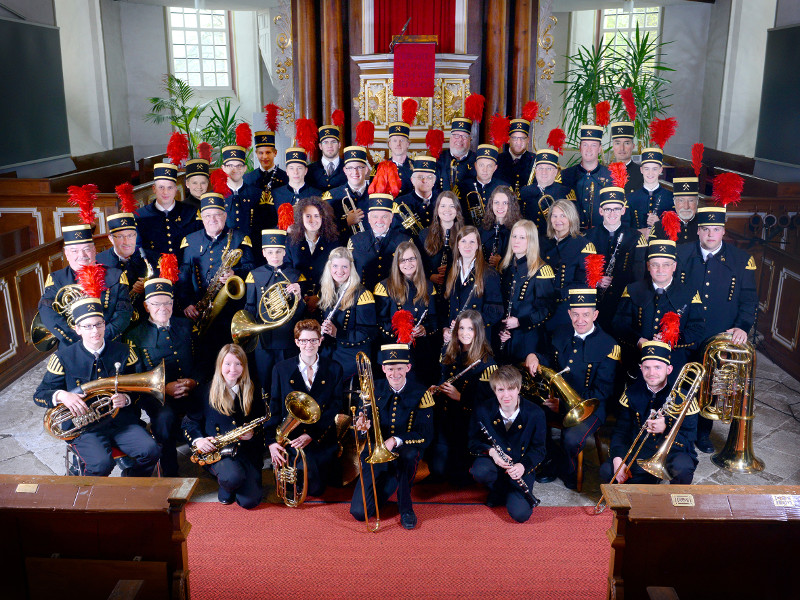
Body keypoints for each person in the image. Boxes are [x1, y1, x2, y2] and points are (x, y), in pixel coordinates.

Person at [34, 297, 160, 477]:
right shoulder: (63, 357)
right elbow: (40, 395)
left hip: (121, 422)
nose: (95, 331)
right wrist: (62, 395)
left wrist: (127, 399)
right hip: (85, 429)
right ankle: (89, 499)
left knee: (151, 450)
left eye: (99, 324)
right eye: (87, 326)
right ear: (77, 329)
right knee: (101, 464)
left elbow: (140, 391)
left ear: (104, 324)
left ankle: (132, 481)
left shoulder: (124, 352)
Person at [676, 206, 758, 453]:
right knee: (682, 381)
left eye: (716, 229)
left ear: (723, 232)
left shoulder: (741, 260)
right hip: (685, 332)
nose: (711, 234)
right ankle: (677, 429)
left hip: (719, 334)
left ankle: (702, 434)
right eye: (706, 229)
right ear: (698, 232)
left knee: (712, 386)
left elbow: (749, 300)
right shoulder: (681, 253)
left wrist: (742, 327)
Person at [524, 288, 620, 489]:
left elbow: (603, 391)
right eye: (575, 314)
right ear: (569, 314)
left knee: (571, 439)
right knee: (529, 417)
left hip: (591, 407)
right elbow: (548, 359)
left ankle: (567, 470)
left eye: (586, 314)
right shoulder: (560, 332)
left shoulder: (610, 345)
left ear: (595, 315)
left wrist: (565, 404)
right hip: (556, 400)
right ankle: (548, 460)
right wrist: (534, 356)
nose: (580, 320)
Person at [350, 344, 434, 530]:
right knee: (360, 512)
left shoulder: (422, 393)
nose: (394, 374)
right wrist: (362, 427)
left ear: (408, 368)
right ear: (383, 369)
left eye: (399, 369)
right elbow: (361, 423)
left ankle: (406, 508)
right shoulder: (371, 388)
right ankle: (390, 480)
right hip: (376, 450)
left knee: (408, 456)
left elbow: (426, 434)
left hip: (405, 448)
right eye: (390, 369)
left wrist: (396, 440)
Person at [126, 276, 199, 477]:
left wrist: (194, 381)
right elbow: (137, 376)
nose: (163, 308)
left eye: (167, 303)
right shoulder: (135, 335)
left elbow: (202, 360)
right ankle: (170, 471)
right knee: (165, 418)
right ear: (146, 306)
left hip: (191, 389)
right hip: (155, 396)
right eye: (156, 304)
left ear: (173, 303)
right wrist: (163, 389)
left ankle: (212, 463)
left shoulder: (186, 326)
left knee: (213, 405)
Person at [599, 341, 699, 485]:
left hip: (673, 451)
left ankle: (674, 502)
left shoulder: (684, 398)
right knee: (607, 471)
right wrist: (618, 460)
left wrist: (666, 429)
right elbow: (620, 433)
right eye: (647, 367)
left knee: (683, 467)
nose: (652, 373)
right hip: (640, 451)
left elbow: (689, 438)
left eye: (658, 367)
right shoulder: (630, 395)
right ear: (641, 368)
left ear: (669, 369)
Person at [183, 344, 266, 508]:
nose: (232, 369)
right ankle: (227, 480)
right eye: (227, 364)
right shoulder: (205, 391)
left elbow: (263, 421)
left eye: (238, 364)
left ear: (244, 366)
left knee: (250, 502)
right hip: (220, 453)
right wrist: (198, 440)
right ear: (220, 365)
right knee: (232, 478)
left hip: (247, 451)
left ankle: (234, 479)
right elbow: (189, 422)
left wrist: (254, 433)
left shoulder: (253, 390)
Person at [269, 319, 344, 499]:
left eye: (313, 340)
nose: (308, 345)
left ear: (320, 341)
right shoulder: (281, 369)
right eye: (304, 341)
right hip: (292, 438)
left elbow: (336, 406)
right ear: (296, 342)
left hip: (320, 436)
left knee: (316, 489)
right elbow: (274, 406)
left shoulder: (334, 368)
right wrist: (271, 442)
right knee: (296, 484)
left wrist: (312, 435)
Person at [177, 193, 255, 365]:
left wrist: (236, 274)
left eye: (217, 214)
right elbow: (183, 277)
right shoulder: (189, 241)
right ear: (201, 218)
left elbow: (251, 269)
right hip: (200, 311)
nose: (212, 219)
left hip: (231, 312)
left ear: (225, 215)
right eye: (207, 215)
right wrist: (186, 303)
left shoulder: (240, 238)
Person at [613, 239, 705, 373]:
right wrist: (639, 341)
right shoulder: (632, 290)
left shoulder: (690, 293)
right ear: (648, 266)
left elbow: (697, 329)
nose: (660, 270)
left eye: (666, 265)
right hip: (638, 363)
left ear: (674, 266)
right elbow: (619, 324)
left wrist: (672, 340)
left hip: (675, 365)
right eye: (655, 265)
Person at [468, 366, 546, 523]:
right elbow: (472, 442)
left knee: (521, 515)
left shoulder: (535, 413)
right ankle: (498, 490)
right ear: (494, 391)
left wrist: (522, 466)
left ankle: (504, 492)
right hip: (495, 464)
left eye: (511, 389)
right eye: (500, 390)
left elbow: (539, 449)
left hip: (521, 468)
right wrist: (492, 453)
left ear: (518, 388)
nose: (506, 395)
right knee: (480, 471)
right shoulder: (483, 409)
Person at [431, 309, 497, 485]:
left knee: (458, 477)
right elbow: (441, 379)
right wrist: (436, 388)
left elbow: (488, 405)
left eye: (470, 329)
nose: (465, 333)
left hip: (468, 424)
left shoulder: (486, 362)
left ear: (478, 331)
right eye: (461, 328)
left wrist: (460, 396)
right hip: (445, 419)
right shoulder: (448, 351)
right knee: (437, 470)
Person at [39, 222, 132, 346]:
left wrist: (100, 339)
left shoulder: (116, 276)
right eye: (74, 251)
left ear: (94, 250)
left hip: (109, 342)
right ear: (66, 254)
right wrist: (79, 342)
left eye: (86, 249)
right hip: (72, 344)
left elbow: (123, 314)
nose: (81, 255)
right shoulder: (56, 279)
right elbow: (48, 314)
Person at [244, 229, 305, 390]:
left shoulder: (296, 276)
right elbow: (250, 307)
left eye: (278, 251)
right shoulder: (254, 275)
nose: (274, 256)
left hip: (287, 338)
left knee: (288, 383)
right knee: (265, 382)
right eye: (270, 252)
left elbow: (300, 314)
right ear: (263, 253)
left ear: (284, 252)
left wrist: (299, 297)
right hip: (263, 341)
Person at [584, 187, 647, 331]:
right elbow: (581, 270)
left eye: (617, 209)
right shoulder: (588, 237)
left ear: (623, 210)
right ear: (601, 211)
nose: (612, 213)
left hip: (623, 302)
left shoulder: (636, 237)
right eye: (607, 209)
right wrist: (596, 281)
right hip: (594, 302)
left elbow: (639, 274)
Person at [374, 241, 437, 380]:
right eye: (403, 260)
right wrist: (401, 330)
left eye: (411, 259)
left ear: (418, 260)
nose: (407, 264)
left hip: (421, 352)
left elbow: (433, 319)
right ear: (397, 263)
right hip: (393, 351)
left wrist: (424, 329)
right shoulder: (384, 286)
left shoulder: (428, 286)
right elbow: (379, 323)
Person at [497, 219, 556, 363]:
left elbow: (547, 310)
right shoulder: (505, 268)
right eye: (514, 236)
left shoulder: (542, 270)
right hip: (504, 338)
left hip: (528, 339)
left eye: (522, 237)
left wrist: (520, 322)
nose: (516, 241)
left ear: (531, 241)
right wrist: (501, 328)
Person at [318, 247, 377, 380]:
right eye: (335, 266)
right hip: (328, 350)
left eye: (344, 266)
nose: (339, 271)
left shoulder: (363, 295)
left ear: (351, 268)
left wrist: (337, 333)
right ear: (329, 267)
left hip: (352, 353)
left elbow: (369, 334)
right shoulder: (324, 291)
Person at [540, 199, 597, 333]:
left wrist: (559, 293)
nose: (558, 220)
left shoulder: (586, 245)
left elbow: (588, 283)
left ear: (571, 218)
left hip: (567, 307)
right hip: (540, 306)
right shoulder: (541, 242)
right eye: (554, 216)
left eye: (563, 215)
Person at [443, 226, 503, 341]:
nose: (467, 246)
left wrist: (469, 328)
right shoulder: (451, 272)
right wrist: (445, 329)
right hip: (454, 339)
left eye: (472, 242)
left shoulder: (489, 273)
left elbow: (495, 312)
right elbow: (445, 307)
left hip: (478, 339)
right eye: (463, 241)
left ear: (478, 246)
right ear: (458, 245)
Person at [96, 212, 157, 325]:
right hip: (111, 320)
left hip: (145, 321)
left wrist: (148, 287)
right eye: (120, 236)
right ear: (110, 238)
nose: (126, 242)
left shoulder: (151, 258)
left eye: (130, 235)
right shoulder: (98, 262)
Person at [285, 196, 338, 315]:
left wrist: (319, 296)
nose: (312, 220)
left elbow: (337, 274)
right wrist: (299, 294)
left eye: (316, 216)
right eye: (308, 216)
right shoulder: (290, 242)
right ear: (300, 218)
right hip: (296, 301)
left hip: (327, 301)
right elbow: (287, 270)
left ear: (323, 217)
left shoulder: (334, 242)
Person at [135, 162, 200, 257]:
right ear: (154, 189)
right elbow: (138, 251)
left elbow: (199, 244)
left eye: (170, 188)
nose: (165, 192)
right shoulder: (140, 216)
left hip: (186, 268)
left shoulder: (190, 212)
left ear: (176, 189)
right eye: (161, 187)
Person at [348, 193, 412, 290]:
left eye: (384, 217)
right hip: (363, 297)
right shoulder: (355, 241)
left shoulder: (405, 241)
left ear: (391, 217)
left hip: (395, 295)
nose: (379, 221)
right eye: (375, 216)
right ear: (368, 218)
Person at [560, 125, 612, 230]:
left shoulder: (610, 175)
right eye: (585, 145)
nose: (589, 149)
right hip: (573, 234)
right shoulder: (566, 175)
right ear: (580, 148)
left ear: (599, 149)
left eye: (593, 145)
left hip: (601, 234)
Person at [324, 145, 371, 243]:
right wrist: (346, 222)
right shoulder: (331, 196)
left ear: (366, 170)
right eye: (350, 168)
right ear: (345, 170)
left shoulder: (376, 196)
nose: (355, 172)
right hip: (341, 252)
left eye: (359, 167)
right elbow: (324, 230)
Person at [220, 145, 268, 241]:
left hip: (252, 247)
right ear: (223, 168)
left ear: (245, 168)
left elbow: (263, 226)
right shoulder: (216, 195)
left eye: (239, 165)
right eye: (230, 166)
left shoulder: (257, 194)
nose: (235, 170)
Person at [519, 149, 571, 235]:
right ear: (535, 171)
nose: (544, 172)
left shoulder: (565, 193)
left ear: (555, 172)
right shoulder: (525, 191)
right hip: (529, 240)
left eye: (549, 168)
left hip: (554, 242)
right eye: (540, 168)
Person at [456, 144, 508, 227]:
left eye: (489, 166)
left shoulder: (505, 188)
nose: (485, 170)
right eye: (481, 165)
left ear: (495, 168)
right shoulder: (462, 187)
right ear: (476, 166)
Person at [625, 147, 673, 235]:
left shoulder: (671, 198)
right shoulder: (630, 198)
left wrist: (659, 224)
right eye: (646, 169)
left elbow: (676, 230)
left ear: (661, 170)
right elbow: (624, 229)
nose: (650, 173)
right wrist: (640, 232)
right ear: (641, 170)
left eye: (654, 169)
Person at [480, 185, 522, 269]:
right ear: (491, 204)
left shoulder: (519, 230)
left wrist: (501, 262)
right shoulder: (482, 229)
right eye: (496, 202)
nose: (500, 206)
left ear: (511, 205)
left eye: (505, 203)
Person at [394, 155, 438, 234]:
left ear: (434, 181)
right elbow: (396, 233)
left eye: (429, 177)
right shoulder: (399, 203)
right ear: (412, 180)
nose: (425, 180)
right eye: (420, 177)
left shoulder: (442, 201)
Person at [649, 177, 700, 245]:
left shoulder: (705, 225)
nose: (686, 206)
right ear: (674, 202)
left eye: (691, 200)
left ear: (697, 202)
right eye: (681, 200)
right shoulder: (659, 227)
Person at [269, 147, 322, 211]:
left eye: (299, 168)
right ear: (287, 171)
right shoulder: (275, 194)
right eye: (291, 168)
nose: (296, 172)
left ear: (306, 171)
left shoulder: (316, 194)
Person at [496, 118, 535, 199]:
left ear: (528, 140)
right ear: (509, 139)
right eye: (515, 138)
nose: (519, 142)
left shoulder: (535, 160)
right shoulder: (498, 159)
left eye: (522, 138)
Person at [243, 130, 288, 197]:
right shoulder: (247, 178)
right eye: (261, 153)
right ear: (256, 154)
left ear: (275, 153)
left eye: (268, 152)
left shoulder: (285, 177)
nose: (265, 157)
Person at [436, 117, 476, 192]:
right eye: (456, 136)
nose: (460, 140)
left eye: (464, 136)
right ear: (450, 138)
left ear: (470, 139)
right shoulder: (439, 158)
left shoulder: (477, 160)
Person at [306, 123, 347, 191]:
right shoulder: (310, 170)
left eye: (333, 142)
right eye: (325, 142)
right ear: (320, 146)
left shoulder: (348, 168)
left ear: (339, 145)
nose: (330, 146)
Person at [609, 121, 642, 198]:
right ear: (613, 146)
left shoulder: (642, 173)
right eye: (617, 143)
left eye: (626, 143)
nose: (622, 148)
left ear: (633, 146)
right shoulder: (605, 173)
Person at [381, 121, 414, 196]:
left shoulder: (416, 166)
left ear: (408, 144)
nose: (398, 144)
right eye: (395, 140)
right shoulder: (381, 167)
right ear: (389, 144)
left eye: (401, 140)